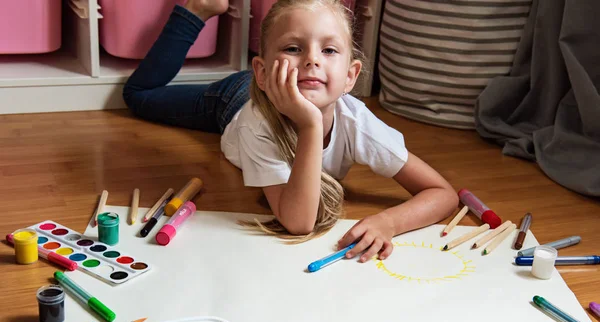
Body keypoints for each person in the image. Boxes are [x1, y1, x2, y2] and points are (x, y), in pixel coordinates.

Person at [123, 0, 458, 263]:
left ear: (351, 76)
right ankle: (197, 9)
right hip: (235, 101)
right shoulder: (259, 123)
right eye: (293, 48)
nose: (312, 60)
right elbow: (299, 222)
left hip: (265, 92)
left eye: (329, 50)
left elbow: (443, 194)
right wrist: (311, 123)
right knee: (139, 96)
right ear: (264, 71)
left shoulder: (357, 121)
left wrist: (389, 222)